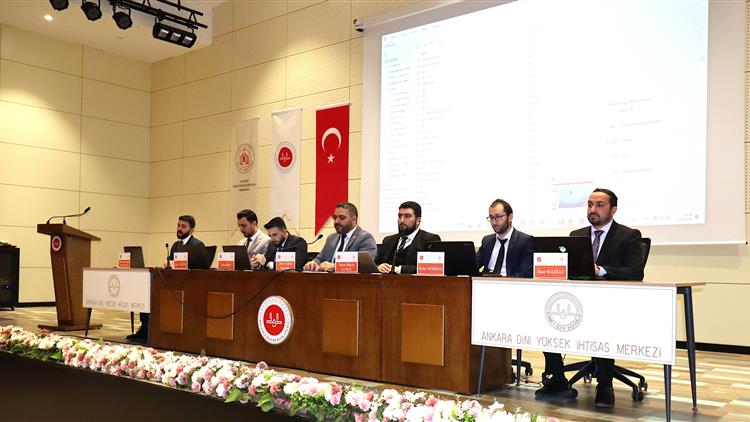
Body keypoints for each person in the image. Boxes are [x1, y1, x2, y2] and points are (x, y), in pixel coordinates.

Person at [536, 188, 644, 408]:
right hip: (578, 299)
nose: (593, 209)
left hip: (611, 302)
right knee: (546, 317)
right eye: (589, 204)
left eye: (600, 205)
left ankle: (605, 385)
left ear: (613, 210)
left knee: (603, 323)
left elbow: (635, 272)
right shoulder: (576, 235)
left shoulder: (629, 235)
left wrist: (601, 270)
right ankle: (558, 380)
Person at [128, 215, 205, 343]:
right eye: (178, 225)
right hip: (173, 284)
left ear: (192, 229)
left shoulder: (197, 245)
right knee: (149, 293)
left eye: (183, 226)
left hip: (189, 287)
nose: (179, 229)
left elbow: (202, 269)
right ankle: (146, 329)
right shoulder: (175, 245)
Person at [303, 202, 377, 272]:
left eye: (342, 218)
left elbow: (364, 266)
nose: (336, 221)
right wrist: (313, 263)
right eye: (335, 217)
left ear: (353, 220)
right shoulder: (331, 238)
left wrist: (335, 266)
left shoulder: (365, 238)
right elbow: (320, 258)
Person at [375, 201, 441, 274]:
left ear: (418, 221)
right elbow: (376, 263)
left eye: (407, 216)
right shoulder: (388, 240)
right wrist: (378, 267)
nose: (402, 220)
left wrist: (398, 269)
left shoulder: (429, 240)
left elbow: (430, 268)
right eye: (400, 216)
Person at [476, 199, 534, 277]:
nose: (494, 222)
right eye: (491, 218)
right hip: (486, 281)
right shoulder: (487, 241)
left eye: (498, 217)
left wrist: (504, 281)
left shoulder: (525, 241)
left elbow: (525, 273)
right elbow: (473, 265)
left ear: (510, 217)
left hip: (510, 282)